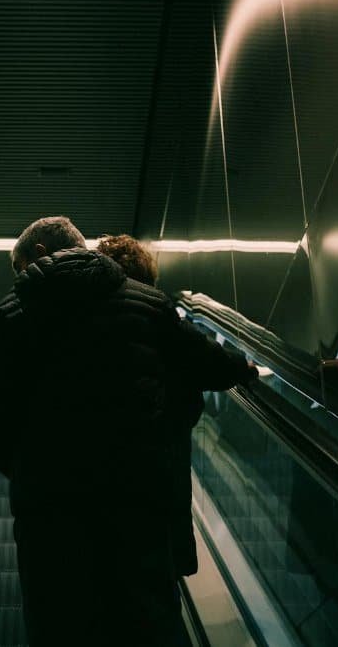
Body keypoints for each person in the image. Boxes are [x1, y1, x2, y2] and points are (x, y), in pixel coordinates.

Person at [0, 218, 255, 646]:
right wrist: (245, 366)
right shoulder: (147, 302)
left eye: (22, 265)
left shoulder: (10, 314)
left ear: (41, 252)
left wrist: (29, 469)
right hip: (137, 506)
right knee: (149, 623)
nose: (22, 277)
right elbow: (207, 363)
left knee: (60, 625)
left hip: (50, 515)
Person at [95, 234, 205, 581]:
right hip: (160, 485)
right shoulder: (162, 315)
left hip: (101, 495)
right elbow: (202, 367)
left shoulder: (80, 323)